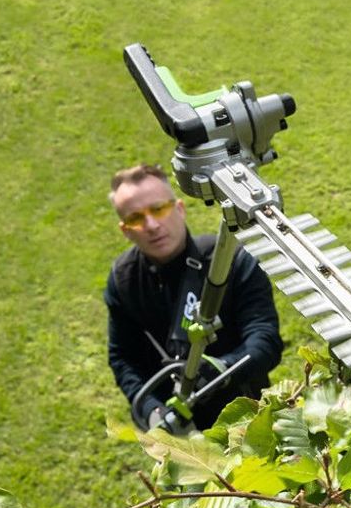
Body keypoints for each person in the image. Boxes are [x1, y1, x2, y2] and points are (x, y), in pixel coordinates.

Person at [103, 163, 282, 432]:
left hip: (246, 418)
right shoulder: (122, 280)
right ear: (125, 230)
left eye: (158, 209)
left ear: (179, 209)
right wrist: (152, 411)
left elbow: (264, 342)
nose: (152, 225)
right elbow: (123, 358)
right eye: (136, 218)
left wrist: (219, 370)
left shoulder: (232, 260)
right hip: (173, 430)